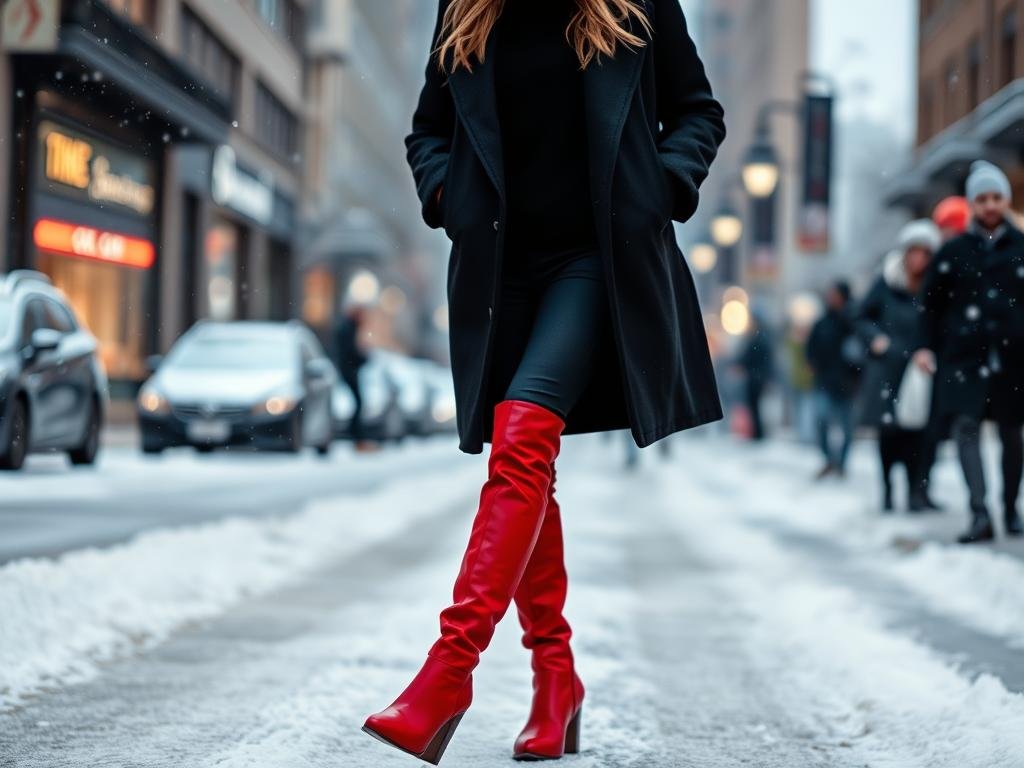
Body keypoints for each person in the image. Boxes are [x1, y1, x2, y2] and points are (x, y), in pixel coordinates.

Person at [363, 0, 725, 763]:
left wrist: (660, 189)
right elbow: (428, 130)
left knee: (523, 432)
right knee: (524, 462)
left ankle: (447, 673)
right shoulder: (465, 7)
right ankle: (555, 682)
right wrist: (444, 195)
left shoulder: (637, 5)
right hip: (501, 270)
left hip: (596, 259)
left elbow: (698, 112)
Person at [916, 161, 1024, 544]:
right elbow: (930, 306)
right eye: (982, 199)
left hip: (1014, 359)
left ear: (1005, 201)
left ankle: (1010, 509)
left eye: (996, 197)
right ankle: (980, 513)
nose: (990, 205)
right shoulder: (953, 252)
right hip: (963, 357)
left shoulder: (1021, 248)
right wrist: (926, 347)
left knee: (1013, 435)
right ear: (972, 204)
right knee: (966, 430)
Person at [855, 221, 940, 512]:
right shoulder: (887, 281)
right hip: (888, 368)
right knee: (889, 434)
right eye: (914, 252)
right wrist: (876, 339)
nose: (919, 259)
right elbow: (861, 316)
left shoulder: (934, 286)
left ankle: (917, 491)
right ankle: (889, 489)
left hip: (919, 369)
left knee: (920, 434)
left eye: (925, 253)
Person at [806, 280, 860, 479]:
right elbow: (810, 350)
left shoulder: (854, 321)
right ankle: (830, 459)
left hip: (848, 384)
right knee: (821, 422)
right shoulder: (821, 324)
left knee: (847, 429)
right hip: (824, 382)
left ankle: (841, 463)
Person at [332, 305, 371, 451]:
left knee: (358, 403)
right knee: (358, 403)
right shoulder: (348, 328)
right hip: (349, 370)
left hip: (349, 369)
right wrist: (364, 358)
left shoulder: (347, 327)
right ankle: (357, 438)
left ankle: (357, 437)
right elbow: (349, 352)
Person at [736, 314, 774, 441]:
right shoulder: (761, 338)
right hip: (757, 377)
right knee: (755, 407)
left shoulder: (757, 339)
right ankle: (758, 433)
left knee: (755, 406)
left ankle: (758, 434)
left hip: (755, 378)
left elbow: (749, 357)